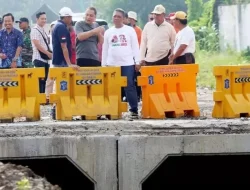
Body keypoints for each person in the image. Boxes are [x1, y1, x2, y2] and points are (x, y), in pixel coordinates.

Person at [102, 8, 140, 119]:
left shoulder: (129, 30)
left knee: (129, 85)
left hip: (127, 63)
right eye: (114, 16)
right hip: (112, 64)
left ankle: (133, 110)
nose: (116, 18)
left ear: (123, 19)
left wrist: (137, 61)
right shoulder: (108, 32)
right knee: (112, 87)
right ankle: (112, 109)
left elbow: (135, 47)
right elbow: (105, 49)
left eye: (119, 16)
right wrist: (103, 64)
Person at [31, 12, 52, 93]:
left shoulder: (43, 30)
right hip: (39, 59)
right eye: (42, 19)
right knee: (40, 80)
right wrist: (48, 53)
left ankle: (43, 98)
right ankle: (40, 98)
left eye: (45, 19)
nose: (44, 20)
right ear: (37, 19)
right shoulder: (35, 30)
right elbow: (37, 45)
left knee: (44, 79)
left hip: (45, 59)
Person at [45, 20, 57, 103]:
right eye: (52, 27)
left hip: (58, 62)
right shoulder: (48, 37)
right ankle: (47, 97)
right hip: (50, 62)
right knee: (49, 81)